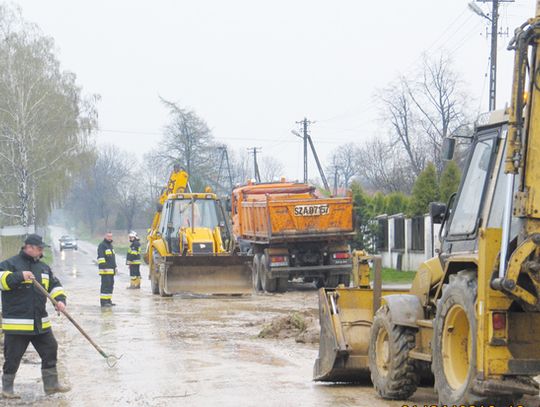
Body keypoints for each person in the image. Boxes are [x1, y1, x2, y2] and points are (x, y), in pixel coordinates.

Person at [0, 234, 70, 398]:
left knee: (50, 349)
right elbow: (1, 282)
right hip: (17, 325)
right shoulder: (9, 264)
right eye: (39, 248)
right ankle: (7, 389)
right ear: (28, 247)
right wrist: (19, 276)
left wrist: (59, 301)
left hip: (40, 323)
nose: (41, 251)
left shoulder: (44, 268)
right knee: (12, 357)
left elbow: (55, 286)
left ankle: (51, 385)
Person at [97, 232, 116, 307]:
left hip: (111, 270)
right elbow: (101, 257)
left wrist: (115, 267)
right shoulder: (102, 245)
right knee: (105, 286)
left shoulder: (110, 246)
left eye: (111, 236)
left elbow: (112, 258)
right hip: (105, 270)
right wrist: (103, 267)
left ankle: (108, 300)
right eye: (108, 236)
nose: (110, 238)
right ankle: (103, 302)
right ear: (105, 236)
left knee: (110, 285)